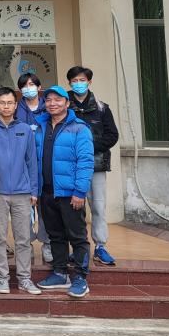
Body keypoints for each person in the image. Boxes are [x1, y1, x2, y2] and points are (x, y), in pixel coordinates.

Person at [34, 85, 95, 298]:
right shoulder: (40, 127)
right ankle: (60, 273)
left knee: (77, 236)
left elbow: (85, 161)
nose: (52, 103)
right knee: (55, 235)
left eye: (57, 99)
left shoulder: (79, 128)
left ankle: (80, 277)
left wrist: (80, 192)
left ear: (67, 103)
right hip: (46, 192)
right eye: (48, 100)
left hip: (70, 193)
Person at [0, 88, 41, 296]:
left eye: (10, 103)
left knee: (23, 238)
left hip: (22, 192)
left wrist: (34, 190)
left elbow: (32, 162)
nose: (6, 106)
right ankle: (2, 278)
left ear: (16, 105)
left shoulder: (25, 129)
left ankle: (24, 278)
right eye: (2, 103)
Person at [66, 65, 120, 267]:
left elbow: (112, 135)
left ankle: (100, 246)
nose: (78, 84)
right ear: (69, 83)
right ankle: (78, 248)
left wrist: (87, 148)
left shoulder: (102, 108)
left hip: (96, 165)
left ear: (89, 82)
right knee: (73, 208)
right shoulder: (63, 105)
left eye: (82, 80)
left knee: (98, 206)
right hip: (70, 166)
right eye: (74, 81)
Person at [14, 72, 52, 265]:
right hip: (22, 165)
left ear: (39, 87)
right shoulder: (16, 109)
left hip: (45, 163)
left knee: (45, 208)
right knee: (24, 209)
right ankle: (25, 246)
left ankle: (47, 245)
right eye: (24, 85)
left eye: (31, 84)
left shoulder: (49, 108)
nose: (28, 88)